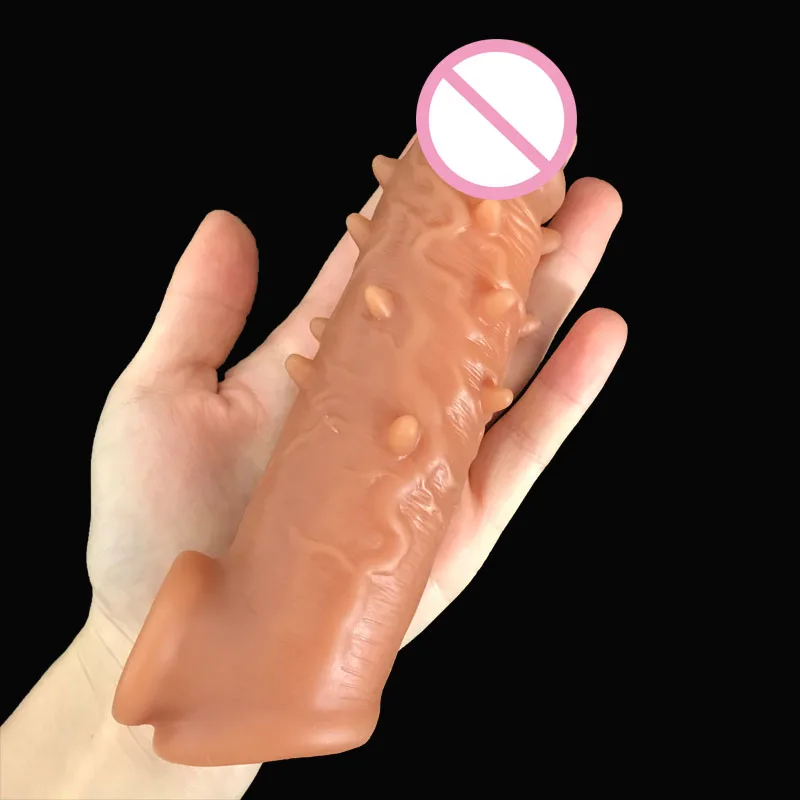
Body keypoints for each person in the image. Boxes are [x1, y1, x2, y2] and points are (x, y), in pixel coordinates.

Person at [0, 172, 625, 799]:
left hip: (295, 671)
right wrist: (121, 650)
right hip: (289, 664)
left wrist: (126, 660)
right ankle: (281, 685)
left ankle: (283, 685)